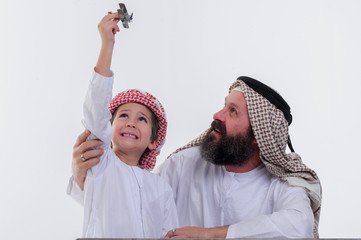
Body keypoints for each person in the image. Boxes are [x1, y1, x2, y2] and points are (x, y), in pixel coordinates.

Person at [69, 48, 321, 239]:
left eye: (232, 112)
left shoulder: (283, 186)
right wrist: (85, 180)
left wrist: (209, 234)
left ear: (258, 135)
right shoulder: (184, 165)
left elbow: (298, 227)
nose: (217, 115)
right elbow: (134, 198)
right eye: (224, 106)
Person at [68, 12, 178, 238]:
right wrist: (107, 44)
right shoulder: (101, 164)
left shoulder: (161, 188)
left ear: (153, 141)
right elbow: (96, 107)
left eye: (142, 119)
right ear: (109, 129)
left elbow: (170, 234)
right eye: (123, 115)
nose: (130, 123)